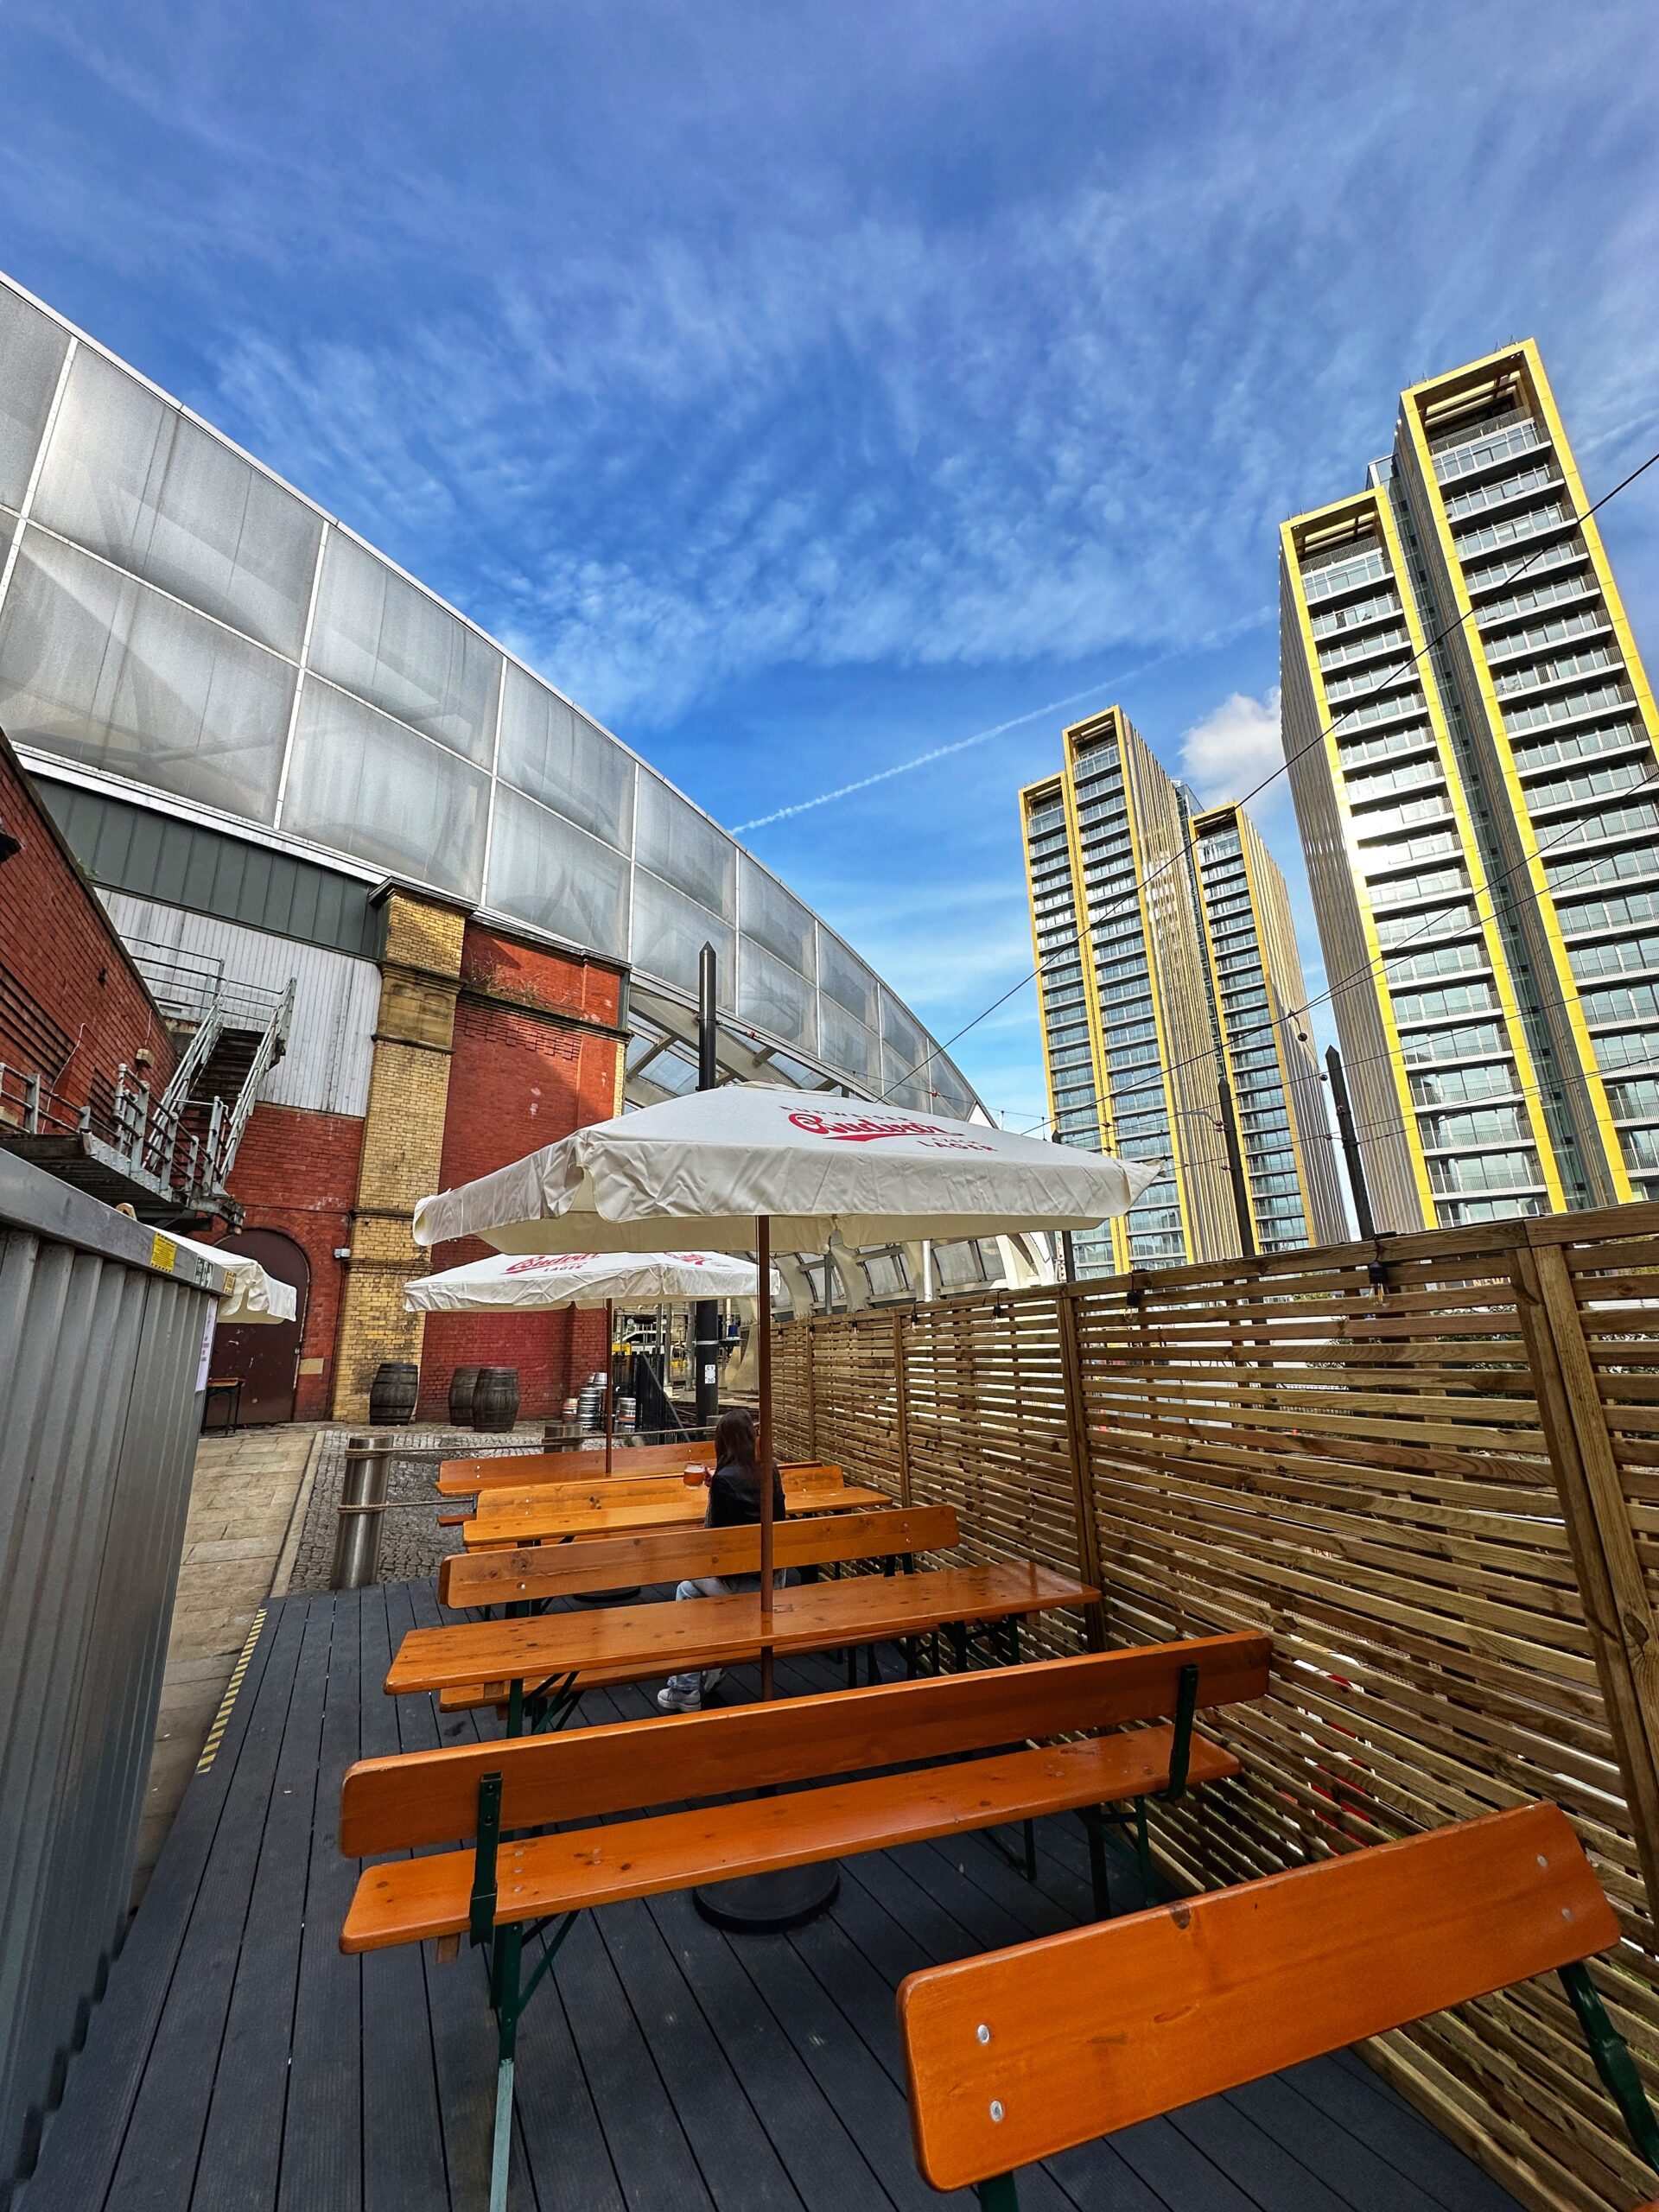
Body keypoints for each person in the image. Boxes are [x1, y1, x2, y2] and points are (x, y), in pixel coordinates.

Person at [657, 1407, 788, 1712]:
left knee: (686, 1589)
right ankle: (710, 1670)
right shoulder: (771, 1470)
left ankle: (685, 1688)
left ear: (723, 1443)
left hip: (738, 1583)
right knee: (699, 1589)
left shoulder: (724, 1481)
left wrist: (714, 1490)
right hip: (773, 1579)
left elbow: (711, 1539)